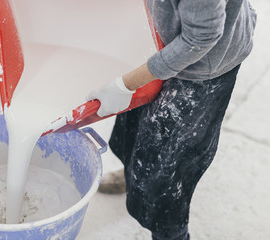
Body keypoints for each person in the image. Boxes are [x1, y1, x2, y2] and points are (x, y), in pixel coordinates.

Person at [87, 0, 257, 239]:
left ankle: (171, 233)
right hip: (165, 30)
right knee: (134, 131)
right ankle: (132, 178)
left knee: (165, 169)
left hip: (204, 66)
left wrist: (125, 85)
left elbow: (200, 38)